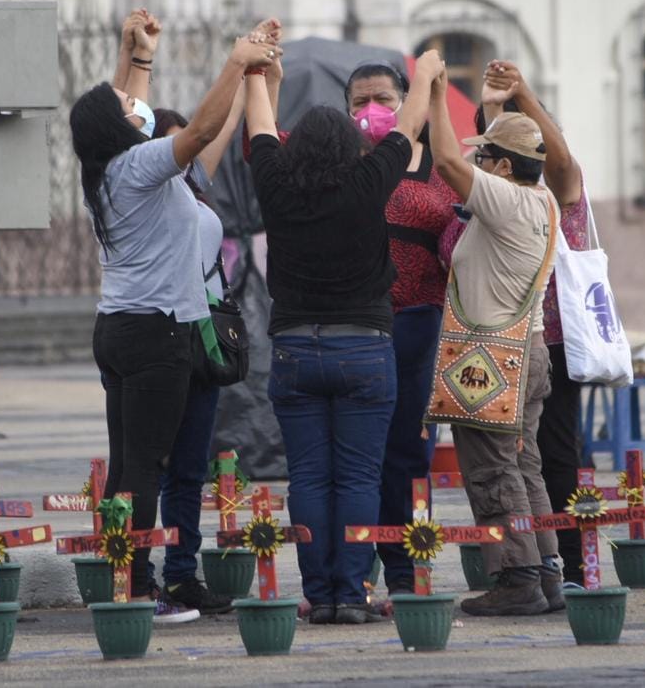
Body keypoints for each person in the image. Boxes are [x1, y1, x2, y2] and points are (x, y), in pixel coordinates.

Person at [69, 10, 274, 623]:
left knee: (136, 460)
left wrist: (138, 54)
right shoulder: (139, 168)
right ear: (120, 131)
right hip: (155, 332)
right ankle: (136, 587)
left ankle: (139, 579)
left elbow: (125, 109)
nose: (142, 111)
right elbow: (203, 125)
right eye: (132, 114)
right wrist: (235, 62)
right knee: (144, 467)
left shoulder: (111, 169)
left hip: (127, 328)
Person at [246, 47, 445, 625]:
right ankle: (353, 593)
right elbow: (406, 130)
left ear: (293, 148)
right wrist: (426, 76)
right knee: (360, 474)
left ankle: (320, 592)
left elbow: (260, 127)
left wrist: (257, 72)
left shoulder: (276, 186)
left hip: (293, 351)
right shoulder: (369, 182)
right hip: (364, 347)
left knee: (308, 474)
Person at [427, 79, 565, 616]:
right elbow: (478, 156)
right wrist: (492, 109)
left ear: (504, 168)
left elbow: (444, 159)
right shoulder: (542, 199)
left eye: (485, 156)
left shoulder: (505, 202)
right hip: (528, 351)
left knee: (491, 470)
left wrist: (436, 92)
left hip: (490, 360)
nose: (477, 161)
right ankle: (546, 570)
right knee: (524, 466)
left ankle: (516, 578)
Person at [344, 60, 459, 597]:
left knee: (408, 455)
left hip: (419, 325)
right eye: (359, 102)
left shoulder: (439, 162)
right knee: (356, 453)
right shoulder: (341, 165)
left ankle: (409, 569)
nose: (372, 112)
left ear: (405, 98)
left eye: (385, 99)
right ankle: (353, 570)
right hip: (358, 329)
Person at [145, 77, 259, 616]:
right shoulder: (140, 192)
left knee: (190, 465)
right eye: (173, 144)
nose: (184, 152)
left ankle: (182, 575)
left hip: (205, 337)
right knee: (148, 465)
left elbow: (219, 126)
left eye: (186, 143)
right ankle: (137, 574)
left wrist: (248, 72)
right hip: (158, 335)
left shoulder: (194, 183)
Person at [481, 60, 589, 587]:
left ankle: (567, 562)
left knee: (554, 457)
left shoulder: (559, 186)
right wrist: (493, 109)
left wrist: (522, 94)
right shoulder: (502, 190)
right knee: (519, 460)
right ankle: (534, 565)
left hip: (552, 340)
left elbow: (560, 157)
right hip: (500, 342)